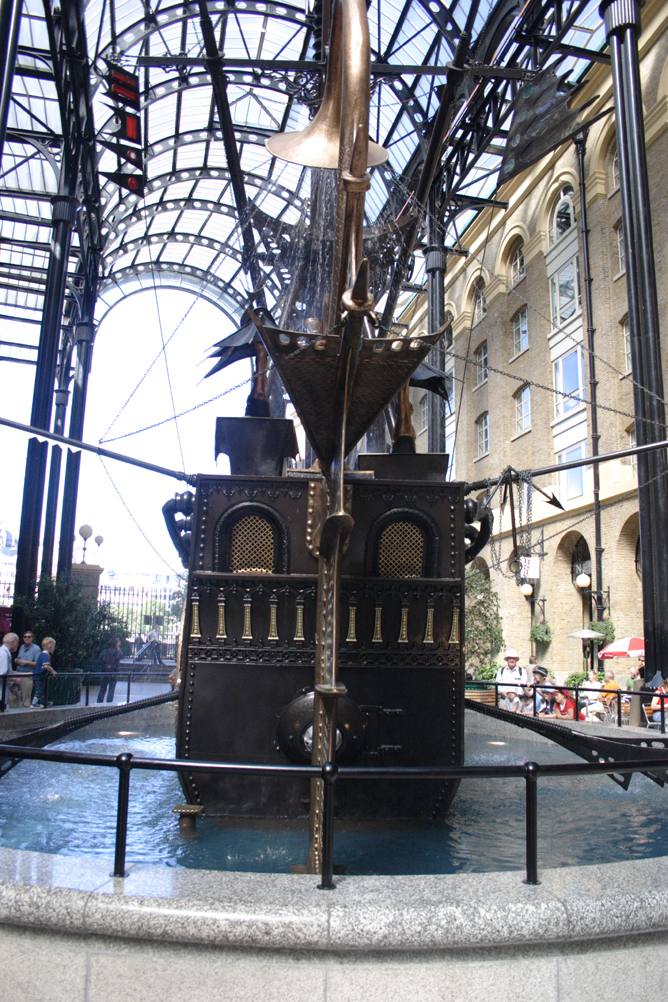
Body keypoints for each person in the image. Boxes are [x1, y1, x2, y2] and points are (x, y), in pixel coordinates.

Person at [11, 630, 39, 709]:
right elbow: (19, 659)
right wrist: (16, 660)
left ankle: (25, 713)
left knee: (26, 699)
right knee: (13, 696)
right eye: (25, 637)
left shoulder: (36, 649)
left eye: (29, 637)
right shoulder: (22, 647)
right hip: (18, 674)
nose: (27, 638)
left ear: (32, 638)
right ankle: (14, 712)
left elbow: (38, 664)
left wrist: (26, 662)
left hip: (28, 676)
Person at [32, 637, 57, 707]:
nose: (54, 648)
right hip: (39, 676)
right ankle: (34, 703)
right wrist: (52, 671)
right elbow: (45, 666)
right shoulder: (46, 655)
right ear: (50, 646)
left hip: (37, 676)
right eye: (54, 646)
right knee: (39, 690)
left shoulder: (41, 654)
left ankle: (43, 702)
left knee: (42, 690)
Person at [97, 638, 123, 703]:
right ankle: (109, 704)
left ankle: (99, 703)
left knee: (102, 690)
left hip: (105, 673)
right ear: (117, 644)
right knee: (111, 690)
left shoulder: (105, 651)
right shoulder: (119, 652)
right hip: (114, 673)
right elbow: (119, 659)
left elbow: (99, 661)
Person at [0, 632, 18, 710]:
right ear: (12, 642)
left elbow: (9, 672)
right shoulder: (4, 654)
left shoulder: (4, 653)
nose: (17, 645)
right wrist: (15, 679)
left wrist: (25, 674)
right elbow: (2, 676)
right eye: (17, 643)